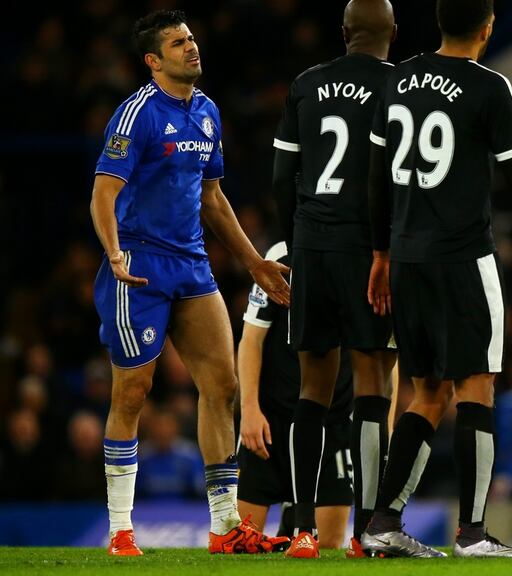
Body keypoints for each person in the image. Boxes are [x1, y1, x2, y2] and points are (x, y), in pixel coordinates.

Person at [363, 0, 512, 558]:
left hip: (408, 258)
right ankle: (473, 533)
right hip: (464, 257)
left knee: (426, 393)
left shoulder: (396, 82)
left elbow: (374, 179)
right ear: (488, 29)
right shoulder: (489, 87)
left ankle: (382, 524)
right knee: (477, 387)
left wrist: (380, 253)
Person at [90, 10, 290, 556]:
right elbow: (103, 193)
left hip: (192, 264)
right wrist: (113, 253)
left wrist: (253, 262)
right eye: (178, 43)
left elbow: (212, 200)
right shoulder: (136, 115)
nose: (191, 47)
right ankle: (120, 531)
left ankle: (225, 527)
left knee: (222, 387)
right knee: (132, 392)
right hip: (139, 264)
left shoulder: (206, 112)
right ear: (154, 60)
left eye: (192, 39)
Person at [269, 0, 398, 559]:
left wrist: (295, 242)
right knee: (373, 382)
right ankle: (367, 532)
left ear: (343, 31)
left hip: (313, 245)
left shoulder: (306, 83)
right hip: (369, 251)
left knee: (312, 389)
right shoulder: (400, 85)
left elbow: (281, 176)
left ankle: (299, 530)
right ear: (393, 31)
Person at [237, 241, 356, 553]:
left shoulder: (369, 257)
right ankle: (292, 511)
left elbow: (384, 355)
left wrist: (383, 423)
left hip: (333, 421)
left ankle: (294, 512)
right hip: (274, 416)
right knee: (245, 536)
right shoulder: (283, 257)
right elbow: (252, 338)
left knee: (329, 543)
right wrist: (249, 409)